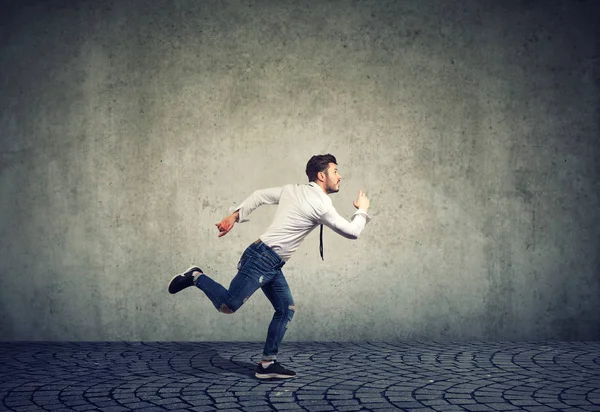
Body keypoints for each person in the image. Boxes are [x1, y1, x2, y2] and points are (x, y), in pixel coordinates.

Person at [168, 154, 371, 379]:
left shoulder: (293, 189)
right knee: (227, 305)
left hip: (270, 262)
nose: (340, 176)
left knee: (286, 309)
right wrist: (362, 209)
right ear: (322, 176)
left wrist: (234, 216)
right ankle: (196, 276)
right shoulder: (321, 204)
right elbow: (353, 232)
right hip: (261, 260)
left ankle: (267, 364)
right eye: (335, 172)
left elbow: (259, 196)